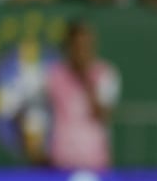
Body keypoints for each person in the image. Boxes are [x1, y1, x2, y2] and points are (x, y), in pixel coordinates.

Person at [43, 19, 122, 171]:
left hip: (95, 161)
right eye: (77, 46)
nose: (82, 51)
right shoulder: (53, 75)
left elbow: (102, 114)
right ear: (68, 47)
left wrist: (86, 80)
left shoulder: (105, 73)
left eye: (86, 46)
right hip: (60, 161)